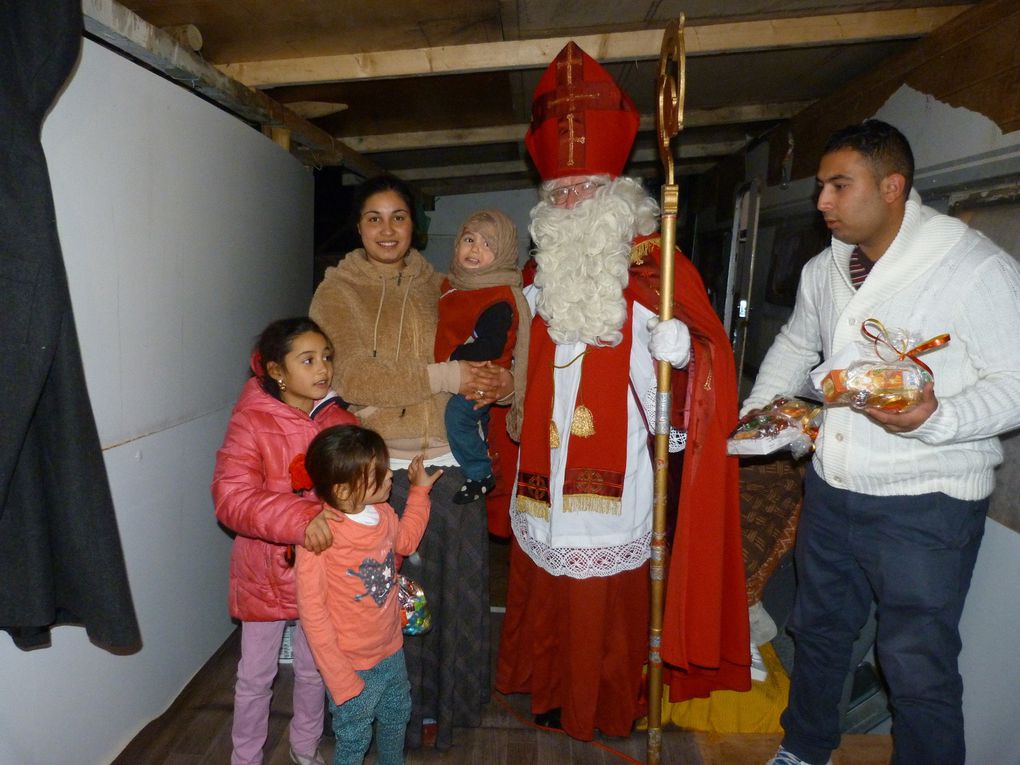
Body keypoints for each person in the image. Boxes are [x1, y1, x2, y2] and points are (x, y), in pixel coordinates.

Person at [743, 120, 1020, 765]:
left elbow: (1016, 379)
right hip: (835, 487)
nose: (822, 203)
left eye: (840, 186)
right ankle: (805, 748)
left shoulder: (971, 267)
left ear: (893, 187)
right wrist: (761, 413)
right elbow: (794, 344)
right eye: (820, 187)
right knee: (818, 631)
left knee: (915, 659)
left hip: (927, 500)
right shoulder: (826, 269)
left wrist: (934, 418)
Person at [495, 41, 750, 742]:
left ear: (615, 195)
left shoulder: (655, 268)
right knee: (549, 584)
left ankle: (602, 705)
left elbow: (705, 369)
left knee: (605, 599)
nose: (570, 200)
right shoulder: (537, 276)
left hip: (620, 467)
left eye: (582, 189)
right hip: (546, 470)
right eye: (558, 193)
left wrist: (685, 355)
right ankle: (548, 689)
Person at [308, 174, 510, 750]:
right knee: (381, 601)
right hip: (376, 476)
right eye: (374, 217)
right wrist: (446, 377)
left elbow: (480, 352)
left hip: (448, 465)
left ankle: (443, 714)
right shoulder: (337, 292)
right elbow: (351, 376)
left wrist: (502, 382)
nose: (387, 229)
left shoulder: (440, 285)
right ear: (359, 226)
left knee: (453, 595)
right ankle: (374, 717)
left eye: (398, 217)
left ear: (413, 225)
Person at [211, 317, 359, 765]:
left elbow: (362, 490)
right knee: (255, 675)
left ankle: (305, 749)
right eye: (308, 360)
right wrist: (301, 518)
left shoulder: (342, 419)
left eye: (327, 358)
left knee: (317, 671)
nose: (323, 369)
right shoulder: (251, 423)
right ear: (276, 370)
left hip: (323, 570)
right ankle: (245, 758)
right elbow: (231, 497)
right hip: (264, 570)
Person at [296, 425, 442, 765]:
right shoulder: (321, 537)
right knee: (354, 737)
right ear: (344, 492)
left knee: (396, 720)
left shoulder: (383, 514)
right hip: (349, 665)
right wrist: (340, 678)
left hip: (390, 651)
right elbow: (313, 615)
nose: (390, 473)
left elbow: (405, 541)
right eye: (378, 472)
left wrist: (419, 493)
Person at [435, 209, 530, 504]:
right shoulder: (451, 287)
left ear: (503, 254)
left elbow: (490, 346)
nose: (475, 248)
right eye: (469, 239)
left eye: (488, 244)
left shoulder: (498, 296)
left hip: (484, 375)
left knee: (458, 417)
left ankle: (480, 474)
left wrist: (454, 354)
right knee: (471, 423)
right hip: (462, 371)